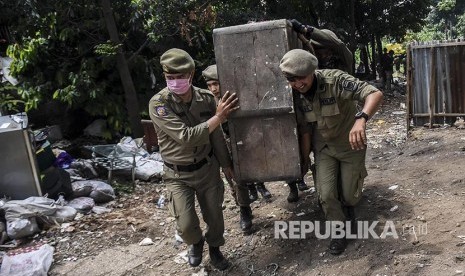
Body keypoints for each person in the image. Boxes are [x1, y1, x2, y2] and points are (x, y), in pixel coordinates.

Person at [279, 49, 383, 255]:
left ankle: (349, 208)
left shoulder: (335, 80)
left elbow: (374, 93)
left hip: (350, 144)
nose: (298, 84)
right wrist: (304, 157)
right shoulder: (293, 95)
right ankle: (339, 230)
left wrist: (361, 118)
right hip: (324, 148)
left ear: (312, 72)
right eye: (291, 79)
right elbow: (305, 129)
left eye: (301, 78)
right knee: (325, 194)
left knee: (349, 195)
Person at [149, 48, 239, 270]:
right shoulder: (159, 104)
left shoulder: (206, 99)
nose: (175, 82)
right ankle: (196, 243)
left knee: (215, 216)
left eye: (180, 76)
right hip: (177, 174)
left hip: (207, 169)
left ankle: (216, 250)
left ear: (191, 74)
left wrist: (226, 165)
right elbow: (185, 137)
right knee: (186, 223)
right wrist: (219, 116)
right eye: (170, 78)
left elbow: (216, 135)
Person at [201, 64, 271, 235]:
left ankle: (254, 197)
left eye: (216, 84)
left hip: (242, 141)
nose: (213, 88)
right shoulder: (207, 102)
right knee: (233, 179)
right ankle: (244, 209)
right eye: (209, 85)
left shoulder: (235, 97)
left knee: (249, 172)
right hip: (222, 146)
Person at [289, 19, 353, 74]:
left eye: (326, 52)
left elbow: (339, 45)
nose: (323, 56)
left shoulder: (344, 59)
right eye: (318, 52)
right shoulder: (313, 60)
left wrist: (305, 30)